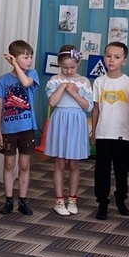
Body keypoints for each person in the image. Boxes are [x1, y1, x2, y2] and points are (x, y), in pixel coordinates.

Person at [0, 39, 40, 216]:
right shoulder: (2, 80)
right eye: (25, 57)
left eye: (31, 57)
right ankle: (8, 200)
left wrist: (16, 65)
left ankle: (22, 201)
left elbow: (26, 83)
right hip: (8, 130)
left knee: (24, 164)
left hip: (27, 128)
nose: (30, 60)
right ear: (14, 57)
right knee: (9, 164)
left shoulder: (32, 74)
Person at [45, 45, 93, 216]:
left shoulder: (84, 82)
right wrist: (61, 87)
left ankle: (72, 199)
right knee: (59, 163)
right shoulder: (54, 80)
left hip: (77, 122)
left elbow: (88, 106)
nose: (69, 71)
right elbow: (52, 102)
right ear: (59, 64)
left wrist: (74, 93)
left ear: (78, 64)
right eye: (65, 67)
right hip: (60, 120)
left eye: (72, 67)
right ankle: (59, 200)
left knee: (74, 163)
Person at [91, 41, 129, 219]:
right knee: (101, 171)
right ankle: (102, 202)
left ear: (124, 60)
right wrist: (93, 131)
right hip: (103, 134)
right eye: (108, 56)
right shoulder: (99, 82)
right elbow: (96, 109)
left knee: (122, 171)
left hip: (123, 135)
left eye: (117, 57)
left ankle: (120, 199)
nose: (111, 60)